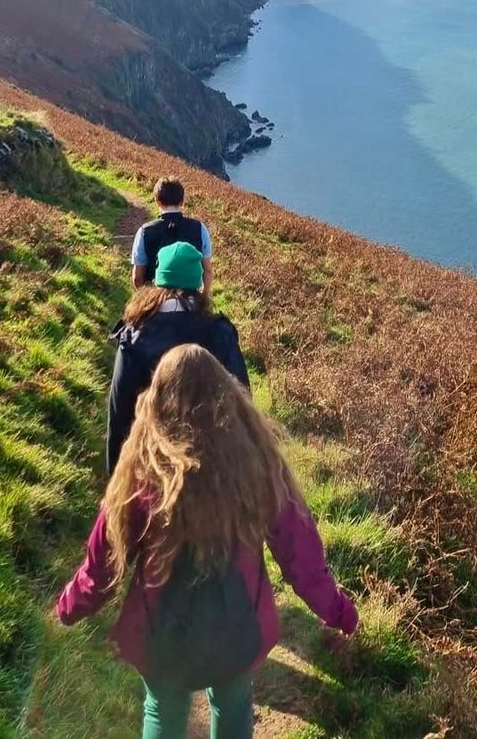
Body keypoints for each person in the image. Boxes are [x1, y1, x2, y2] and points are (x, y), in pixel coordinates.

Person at [57, 345, 358, 739]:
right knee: (232, 705)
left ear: (157, 401)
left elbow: (102, 566)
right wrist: (338, 611)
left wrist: (68, 608)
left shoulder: (140, 474)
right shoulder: (258, 468)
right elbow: (300, 555)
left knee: (162, 711)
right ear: (228, 397)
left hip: (161, 632)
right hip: (237, 629)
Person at [107, 239, 248, 475]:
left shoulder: (135, 335)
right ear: (199, 282)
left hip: (149, 459)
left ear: (158, 280)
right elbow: (243, 402)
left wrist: (116, 475)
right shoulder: (220, 333)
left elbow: (119, 410)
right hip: (209, 466)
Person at [132, 178, 212, 295]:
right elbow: (208, 271)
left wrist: (146, 299)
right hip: (190, 297)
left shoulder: (144, 231)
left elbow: (138, 277)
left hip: (157, 296)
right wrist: (204, 296)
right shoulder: (200, 228)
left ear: (157, 200)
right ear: (182, 201)